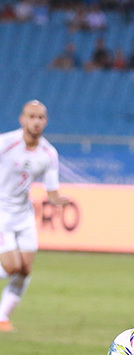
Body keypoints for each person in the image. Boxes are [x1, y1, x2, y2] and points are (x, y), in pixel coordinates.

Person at [0, 101, 68, 332]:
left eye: (40, 117)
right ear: (22, 119)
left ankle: (2, 318)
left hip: (24, 215)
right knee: (11, 267)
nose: (36, 121)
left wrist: (59, 200)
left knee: (25, 268)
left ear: (45, 121)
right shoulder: (6, 143)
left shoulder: (48, 153)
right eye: (32, 116)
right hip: (1, 212)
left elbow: (51, 192)